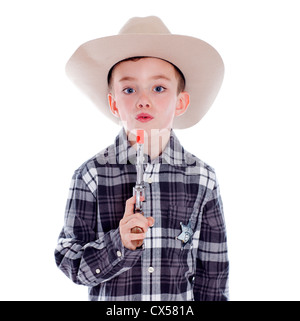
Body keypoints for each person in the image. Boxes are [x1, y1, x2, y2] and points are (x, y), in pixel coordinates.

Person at [54, 16, 229, 301]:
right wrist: (118, 244)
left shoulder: (202, 178)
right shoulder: (91, 175)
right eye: (129, 89)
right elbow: (68, 259)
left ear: (180, 101)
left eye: (158, 88)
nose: (143, 100)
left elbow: (214, 276)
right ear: (113, 103)